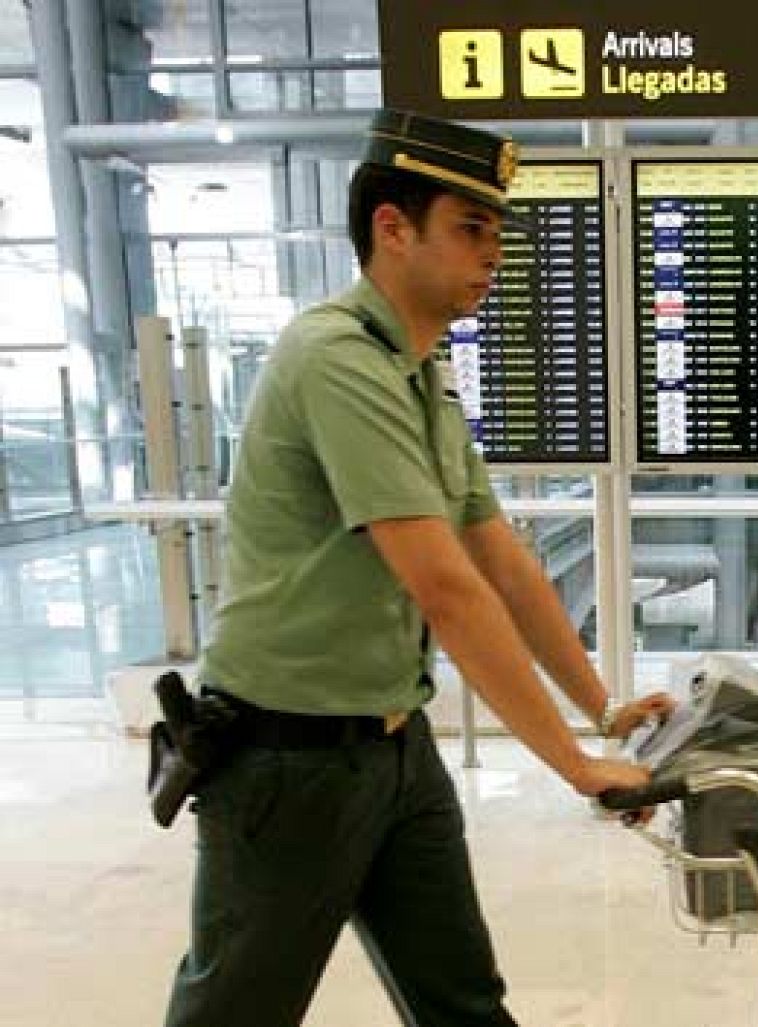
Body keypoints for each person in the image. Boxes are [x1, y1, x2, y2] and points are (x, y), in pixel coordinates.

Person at [164, 109, 672, 1026]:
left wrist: (603, 710)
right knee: (234, 1012)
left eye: (497, 233)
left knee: (464, 1004)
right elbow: (444, 586)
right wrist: (573, 764)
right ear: (392, 228)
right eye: (471, 229)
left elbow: (500, 559)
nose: (494, 255)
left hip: (396, 749)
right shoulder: (336, 359)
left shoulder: (420, 374)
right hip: (287, 760)